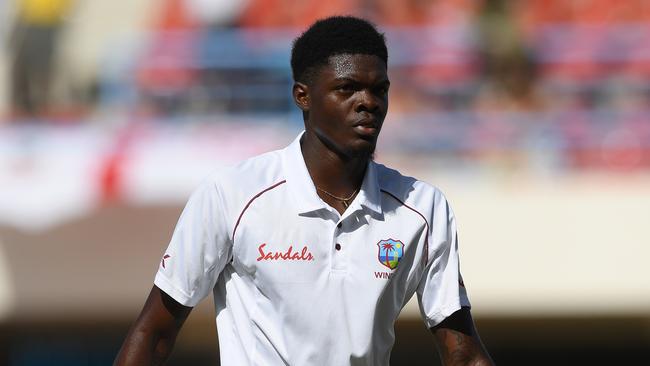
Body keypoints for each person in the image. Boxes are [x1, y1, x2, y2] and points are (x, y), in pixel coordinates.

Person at [114, 16, 494, 366]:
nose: (369, 103)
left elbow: (462, 353)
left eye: (379, 89)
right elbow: (154, 334)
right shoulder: (232, 194)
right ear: (302, 96)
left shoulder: (423, 208)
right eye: (347, 88)